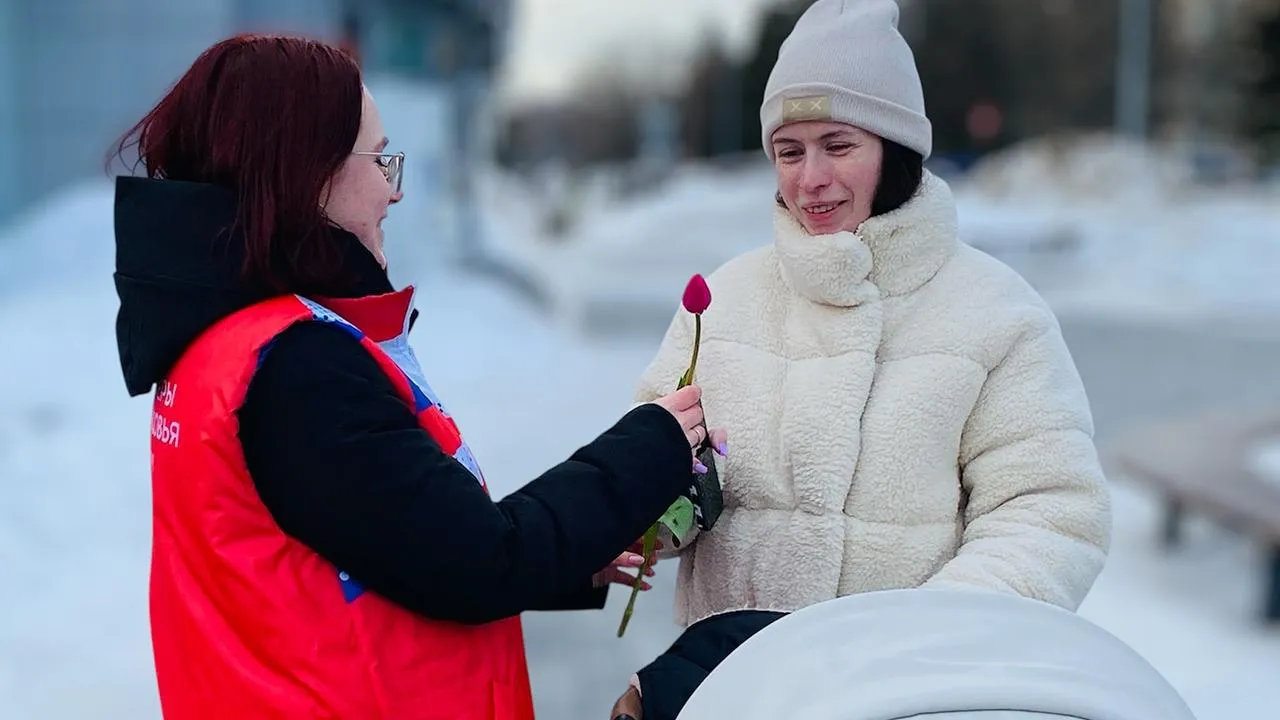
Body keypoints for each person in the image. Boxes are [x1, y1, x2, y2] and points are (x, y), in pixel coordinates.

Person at [109, 34, 725, 720]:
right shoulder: (296, 367)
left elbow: (375, 546)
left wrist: (572, 551)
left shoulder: (222, 342)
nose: (391, 191)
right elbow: (473, 563)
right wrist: (654, 442)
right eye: (377, 158)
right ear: (306, 171)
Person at [613, 1, 1111, 717]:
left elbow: (1051, 513)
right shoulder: (721, 302)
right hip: (733, 696)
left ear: (896, 148)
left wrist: (909, 650)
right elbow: (648, 472)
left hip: (913, 698)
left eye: (838, 145)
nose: (810, 176)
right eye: (789, 151)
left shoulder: (998, 314)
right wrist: (650, 511)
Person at [675, 589, 1199, 720]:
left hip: (948, 680)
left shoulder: (1006, 325)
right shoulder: (720, 318)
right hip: (743, 670)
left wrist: (924, 635)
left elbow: (1051, 511)